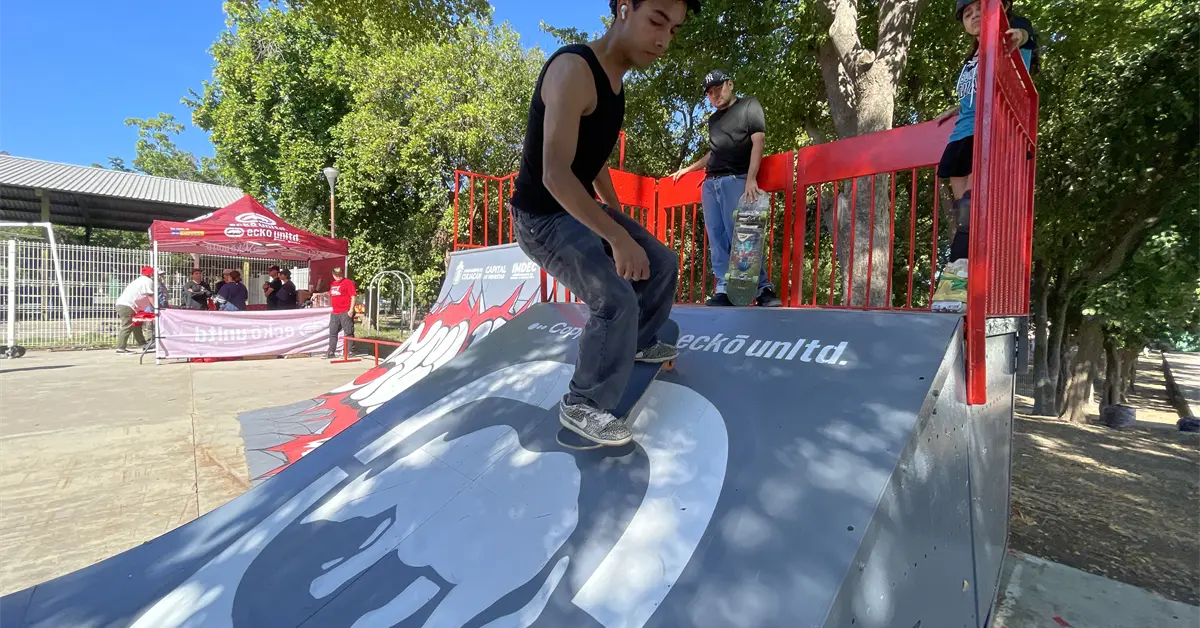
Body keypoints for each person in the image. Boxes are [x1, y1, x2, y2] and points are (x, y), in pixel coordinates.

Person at [507, 0, 700, 447]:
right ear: (623, 8)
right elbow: (556, 173)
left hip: (572, 207)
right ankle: (582, 403)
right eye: (656, 21)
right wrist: (614, 236)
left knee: (662, 262)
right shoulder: (573, 70)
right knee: (615, 300)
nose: (663, 40)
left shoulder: (616, 88)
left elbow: (593, 161)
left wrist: (619, 220)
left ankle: (636, 343)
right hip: (540, 218)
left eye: (673, 30)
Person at [932, 0, 1037, 311]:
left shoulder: (1009, 39)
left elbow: (1022, 42)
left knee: (973, 210)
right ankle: (959, 284)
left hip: (990, 131)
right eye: (967, 13)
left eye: (980, 7)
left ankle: (961, 287)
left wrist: (1019, 36)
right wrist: (958, 107)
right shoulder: (970, 59)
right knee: (963, 215)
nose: (975, 15)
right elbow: (974, 93)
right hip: (961, 135)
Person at [669, 69, 782, 307]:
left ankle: (762, 288)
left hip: (736, 179)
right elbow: (714, 153)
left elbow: (758, 141)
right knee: (716, 237)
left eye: (718, 89)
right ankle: (724, 288)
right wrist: (688, 169)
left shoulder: (749, 106)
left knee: (744, 236)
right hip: (711, 184)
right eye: (710, 93)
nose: (714, 95)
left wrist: (751, 178)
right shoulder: (714, 120)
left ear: (730, 84)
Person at [114, 266, 155, 354]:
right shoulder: (147, 281)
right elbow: (150, 296)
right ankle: (120, 349)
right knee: (128, 326)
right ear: (151, 273)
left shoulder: (139, 280)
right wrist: (156, 307)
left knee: (136, 325)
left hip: (127, 305)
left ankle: (143, 345)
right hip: (127, 306)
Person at [323, 267, 357, 358]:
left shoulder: (348, 282)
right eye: (336, 274)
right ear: (333, 275)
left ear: (342, 273)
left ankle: (350, 351)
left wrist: (351, 310)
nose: (338, 276)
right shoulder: (333, 284)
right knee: (333, 332)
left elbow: (353, 296)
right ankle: (331, 352)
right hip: (335, 312)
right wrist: (318, 294)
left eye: (340, 274)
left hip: (345, 311)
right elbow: (330, 293)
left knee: (348, 331)